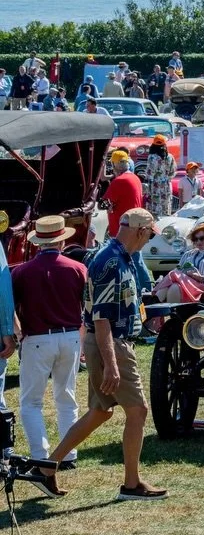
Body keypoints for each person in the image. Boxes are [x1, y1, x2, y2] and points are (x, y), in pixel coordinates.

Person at [40, 208, 166, 501]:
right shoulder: (112, 262)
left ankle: (47, 467)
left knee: (100, 411)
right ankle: (131, 485)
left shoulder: (119, 257)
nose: (148, 239)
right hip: (113, 345)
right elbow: (102, 318)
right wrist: (112, 364)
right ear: (139, 230)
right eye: (148, 234)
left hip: (107, 343)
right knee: (138, 412)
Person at [10, 216, 83, 468]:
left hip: (37, 339)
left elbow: (11, 307)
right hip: (70, 337)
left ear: (38, 242)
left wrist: (17, 333)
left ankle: (40, 455)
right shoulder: (77, 268)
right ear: (61, 241)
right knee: (66, 397)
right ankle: (68, 455)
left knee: (31, 402)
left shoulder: (22, 271)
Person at [105, 151, 143, 237]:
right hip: (135, 225)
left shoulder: (119, 181)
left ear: (116, 164)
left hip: (121, 230)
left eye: (112, 163)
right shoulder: (135, 178)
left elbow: (106, 204)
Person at [144, 136, 176, 217]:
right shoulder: (170, 156)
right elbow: (173, 171)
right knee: (165, 208)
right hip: (166, 185)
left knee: (154, 210)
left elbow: (149, 173)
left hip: (155, 187)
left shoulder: (152, 157)